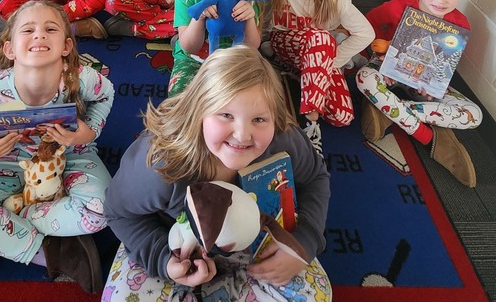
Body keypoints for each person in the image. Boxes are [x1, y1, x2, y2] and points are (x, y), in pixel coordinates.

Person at [102, 46, 332, 301]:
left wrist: (305, 242)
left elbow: (315, 178)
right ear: (198, 111)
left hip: (262, 242)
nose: (243, 135)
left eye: (259, 120)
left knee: (313, 297)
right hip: (177, 247)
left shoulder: (284, 140)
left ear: (275, 118)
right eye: (225, 115)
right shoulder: (160, 164)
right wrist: (163, 260)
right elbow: (118, 212)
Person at [0, 1, 114, 291]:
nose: (39, 35)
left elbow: (106, 96)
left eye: (50, 29)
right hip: (14, 159)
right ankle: (51, 253)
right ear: (10, 49)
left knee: (104, 210)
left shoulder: (80, 78)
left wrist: (88, 132)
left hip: (71, 154)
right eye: (28, 30)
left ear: (66, 46)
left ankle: (5, 220)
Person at [354, 0, 483, 187]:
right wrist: (381, 54)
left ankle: (389, 113)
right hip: (386, 72)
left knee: (474, 115)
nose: (440, 0)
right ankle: (430, 138)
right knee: (364, 78)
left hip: (422, 89)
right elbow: (368, 24)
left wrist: (432, 88)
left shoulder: (460, 25)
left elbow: (446, 64)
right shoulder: (401, 5)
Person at [264, 0, 373, 154]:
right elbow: (259, 21)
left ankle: (304, 75)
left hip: (320, 57)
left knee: (342, 117)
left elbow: (365, 33)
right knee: (322, 37)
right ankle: (311, 123)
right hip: (285, 45)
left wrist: (330, 62)